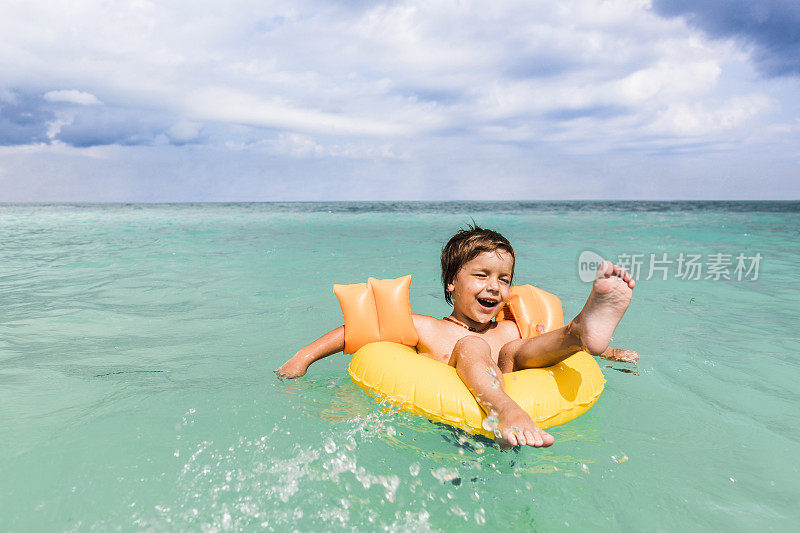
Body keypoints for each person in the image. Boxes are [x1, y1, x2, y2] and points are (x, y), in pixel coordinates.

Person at [276, 225, 637, 449]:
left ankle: (580, 331)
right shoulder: (430, 328)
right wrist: (303, 358)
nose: (494, 288)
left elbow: (548, 351)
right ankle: (504, 406)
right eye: (481, 275)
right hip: (453, 433)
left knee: (516, 348)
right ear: (452, 282)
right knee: (473, 344)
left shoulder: (511, 326)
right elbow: (354, 332)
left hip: (510, 417)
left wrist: (608, 354)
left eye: (504, 279)